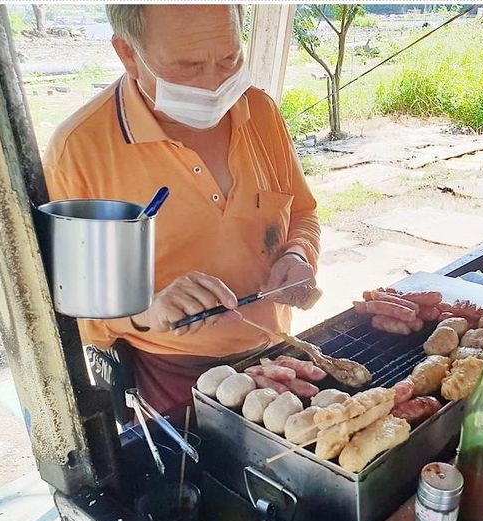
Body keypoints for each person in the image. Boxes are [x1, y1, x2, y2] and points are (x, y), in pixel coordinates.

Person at [43, 4, 320, 411]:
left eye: (229, 59)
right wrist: (146, 309)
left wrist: (298, 254)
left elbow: (302, 213)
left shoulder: (259, 111)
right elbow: (76, 306)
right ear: (128, 53)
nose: (213, 84)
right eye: (188, 67)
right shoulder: (80, 150)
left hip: (277, 351)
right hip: (170, 373)